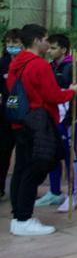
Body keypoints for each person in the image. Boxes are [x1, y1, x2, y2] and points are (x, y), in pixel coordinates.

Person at [7, 24, 77, 236]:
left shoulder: (16, 64)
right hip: (37, 122)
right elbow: (53, 96)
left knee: (21, 168)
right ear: (38, 40)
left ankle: (18, 216)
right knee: (35, 168)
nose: (48, 43)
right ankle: (24, 219)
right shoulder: (39, 65)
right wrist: (71, 92)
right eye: (46, 39)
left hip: (19, 121)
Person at [33, 34, 77, 212]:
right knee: (53, 153)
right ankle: (55, 192)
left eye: (54, 48)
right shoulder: (50, 66)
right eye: (49, 47)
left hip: (67, 118)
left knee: (69, 155)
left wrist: (72, 116)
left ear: (63, 50)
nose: (49, 51)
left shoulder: (72, 68)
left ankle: (73, 195)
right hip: (53, 117)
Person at [0, 28, 22, 201]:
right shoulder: (2, 63)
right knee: (3, 154)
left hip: (24, 116)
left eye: (15, 43)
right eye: (8, 43)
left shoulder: (28, 63)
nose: (11, 46)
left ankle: (22, 190)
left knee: (24, 157)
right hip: (4, 116)